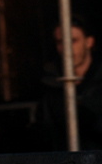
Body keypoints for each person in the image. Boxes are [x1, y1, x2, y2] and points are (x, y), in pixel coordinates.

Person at [37, 16, 102, 150]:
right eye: (60, 42)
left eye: (73, 41)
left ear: (89, 42)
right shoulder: (50, 84)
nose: (67, 48)